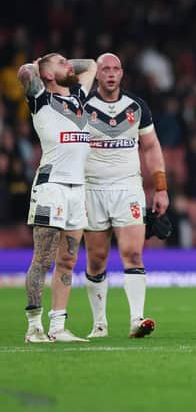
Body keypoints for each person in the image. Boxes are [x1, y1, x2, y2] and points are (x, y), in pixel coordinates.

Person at [82, 53, 169, 338]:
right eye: (104, 69)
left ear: (122, 74)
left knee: (133, 252)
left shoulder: (136, 106)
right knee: (96, 259)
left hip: (128, 187)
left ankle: (136, 319)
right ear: (96, 74)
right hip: (92, 188)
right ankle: (99, 324)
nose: (110, 73)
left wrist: (161, 187)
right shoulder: (82, 106)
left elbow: (151, 147)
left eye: (115, 69)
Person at [18, 53, 97, 342]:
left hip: (78, 187)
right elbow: (25, 71)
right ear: (47, 74)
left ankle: (58, 326)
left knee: (68, 260)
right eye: (61, 62)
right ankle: (34, 326)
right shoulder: (40, 98)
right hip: (53, 186)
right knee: (43, 258)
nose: (69, 65)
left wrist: (60, 66)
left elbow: (91, 65)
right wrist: (40, 65)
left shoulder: (78, 96)